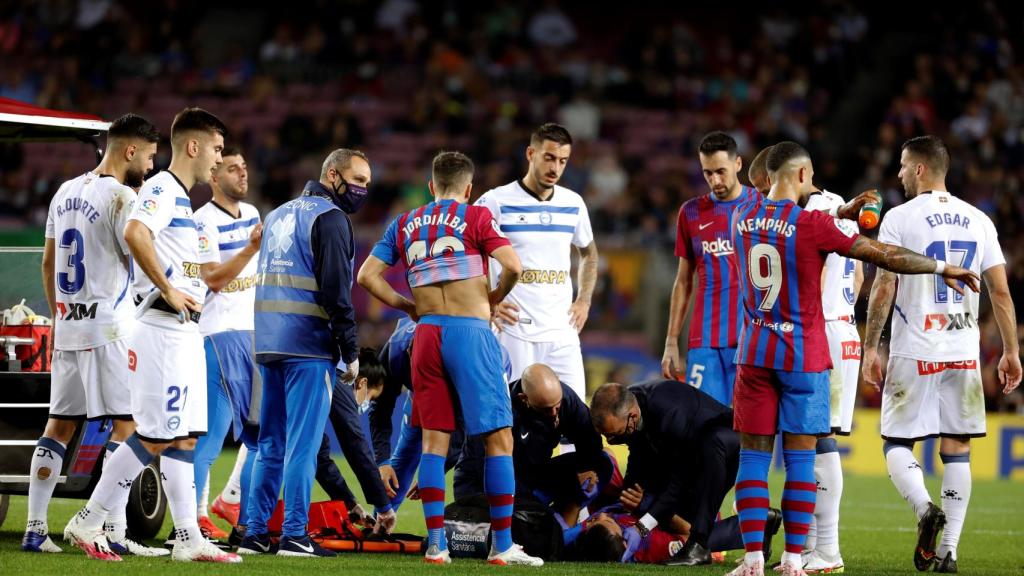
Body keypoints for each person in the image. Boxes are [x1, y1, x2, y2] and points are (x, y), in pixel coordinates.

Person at [727, 141, 979, 576]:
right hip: (803, 355)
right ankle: (792, 561)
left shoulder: (740, 218)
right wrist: (941, 268)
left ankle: (752, 562)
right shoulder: (810, 226)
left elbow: (791, 223)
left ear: (767, 179)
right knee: (804, 459)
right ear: (804, 177)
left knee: (753, 459)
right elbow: (883, 255)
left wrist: (839, 214)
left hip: (754, 354)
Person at [64, 107, 240, 563]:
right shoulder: (162, 187)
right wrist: (168, 289)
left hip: (183, 331)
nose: (219, 161)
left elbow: (187, 264)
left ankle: (187, 538)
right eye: (217, 150)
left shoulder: (183, 199)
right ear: (194, 146)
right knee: (156, 435)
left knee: (184, 438)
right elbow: (135, 231)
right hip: (160, 328)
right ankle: (89, 518)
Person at [358, 150, 542, 566]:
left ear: (431, 186)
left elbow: (366, 276)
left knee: (433, 442)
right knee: (499, 439)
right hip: (468, 332)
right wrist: (491, 300)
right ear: (469, 188)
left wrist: (406, 306)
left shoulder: (405, 222)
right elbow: (513, 266)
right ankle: (503, 546)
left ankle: (437, 545)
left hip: (425, 335)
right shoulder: (476, 217)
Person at [862, 136, 1021, 574]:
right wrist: (1011, 351)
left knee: (896, 442)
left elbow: (885, 284)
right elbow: (1001, 291)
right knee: (958, 449)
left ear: (918, 170)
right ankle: (948, 551)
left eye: (901, 165)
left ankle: (924, 508)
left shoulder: (898, 217)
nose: (897, 174)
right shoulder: (979, 219)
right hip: (963, 350)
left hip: (915, 348)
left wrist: (872, 346)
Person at [26, 114, 162, 557]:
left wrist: (60, 315)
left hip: (67, 327)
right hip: (108, 328)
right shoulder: (122, 196)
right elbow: (139, 256)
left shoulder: (65, 191)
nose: (151, 163)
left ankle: (34, 528)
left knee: (59, 427)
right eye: (149, 154)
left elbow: (48, 264)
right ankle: (111, 530)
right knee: (130, 426)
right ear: (129, 150)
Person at [241, 148, 369, 558]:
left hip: (268, 343)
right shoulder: (330, 219)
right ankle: (295, 533)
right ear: (333, 175)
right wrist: (350, 350)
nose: (362, 189)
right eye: (358, 180)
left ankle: (255, 531)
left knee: (271, 443)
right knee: (303, 445)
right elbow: (336, 291)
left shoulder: (278, 213)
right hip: (309, 347)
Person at [475, 123, 598, 400]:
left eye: (563, 161)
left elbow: (589, 253)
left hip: (562, 331)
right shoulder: (495, 201)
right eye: (549, 158)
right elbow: (469, 251)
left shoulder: (574, 203)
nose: (556, 168)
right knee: (516, 420)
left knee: (575, 418)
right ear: (531, 154)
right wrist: (487, 298)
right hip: (514, 330)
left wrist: (584, 300)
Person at [589, 380, 742, 566]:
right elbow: (638, 455)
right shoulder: (628, 408)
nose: (611, 441)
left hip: (725, 450)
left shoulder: (670, 412)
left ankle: (699, 545)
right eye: (606, 436)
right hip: (689, 457)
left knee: (682, 521)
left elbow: (679, 478)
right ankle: (759, 524)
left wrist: (643, 524)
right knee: (662, 513)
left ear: (633, 417)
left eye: (615, 434)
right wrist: (631, 492)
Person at [191, 147, 262, 542]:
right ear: (214, 177)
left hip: (253, 333)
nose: (242, 173)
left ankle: (242, 513)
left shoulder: (252, 214)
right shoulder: (201, 221)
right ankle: (194, 517)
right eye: (233, 169)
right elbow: (212, 279)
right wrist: (250, 248)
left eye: (244, 167)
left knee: (258, 433)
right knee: (213, 433)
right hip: (217, 335)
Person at [662, 131, 761, 406]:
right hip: (704, 341)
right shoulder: (691, 212)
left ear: (738, 164)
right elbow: (683, 281)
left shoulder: (762, 206)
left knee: (746, 428)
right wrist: (671, 340)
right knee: (702, 424)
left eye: (721, 171)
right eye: (708, 173)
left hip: (751, 339)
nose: (715, 181)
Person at [799, 186, 864, 573]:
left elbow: (818, 273)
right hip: (842, 327)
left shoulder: (814, 211)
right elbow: (856, 275)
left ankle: (827, 550)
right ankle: (809, 548)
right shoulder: (840, 206)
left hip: (822, 331)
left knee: (819, 438)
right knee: (807, 440)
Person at [314, 348, 395, 533]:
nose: (367, 406)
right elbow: (355, 444)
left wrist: (350, 504)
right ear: (362, 383)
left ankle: (251, 529)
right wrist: (383, 506)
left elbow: (317, 453)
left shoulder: (325, 373)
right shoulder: (341, 377)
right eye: (371, 398)